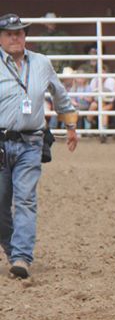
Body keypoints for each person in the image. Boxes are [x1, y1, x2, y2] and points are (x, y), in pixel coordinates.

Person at [0, 14, 78, 279]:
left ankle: (21, 257)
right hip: (0, 143)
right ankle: (13, 250)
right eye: (9, 33)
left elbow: (59, 93)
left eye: (19, 33)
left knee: (25, 200)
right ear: (1, 37)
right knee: (0, 205)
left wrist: (70, 124)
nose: (15, 38)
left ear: (25, 36)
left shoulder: (42, 63)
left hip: (31, 142)